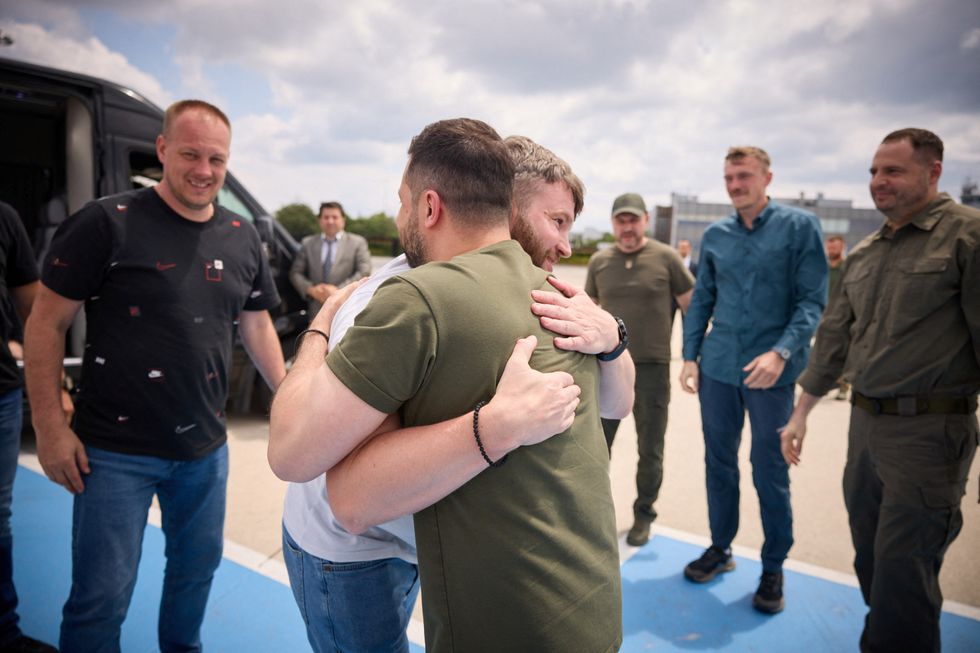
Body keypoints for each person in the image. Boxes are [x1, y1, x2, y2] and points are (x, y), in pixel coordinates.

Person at [270, 118, 626, 653]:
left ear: (428, 207)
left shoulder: (550, 300)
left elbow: (618, 404)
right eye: (556, 219)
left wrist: (613, 339)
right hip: (358, 550)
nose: (564, 241)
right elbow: (323, 475)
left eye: (402, 201)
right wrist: (322, 327)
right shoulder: (395, 298)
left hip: (426, 543)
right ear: (506, 208)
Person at [24, 100, 287, 653]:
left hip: (206, 453)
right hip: (113, 454)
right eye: (190, 154)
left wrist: (288, 396)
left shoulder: (242, 235)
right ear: (163, 149)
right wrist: (50, 428)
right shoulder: (105, 221)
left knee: (194, 579)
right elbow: (45, 325)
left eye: (217, 159)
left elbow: (255, 321)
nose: (204, 170)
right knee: (101, 599)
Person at [781, 128, 979, 652]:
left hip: (929, 432)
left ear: (934, 172)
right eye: (873, 171)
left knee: (902, 573)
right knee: (870, 558)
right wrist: (801, 413)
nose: (878, 181)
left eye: (893, 170)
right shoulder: (867, 253)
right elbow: (834, 340)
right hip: (865, 428)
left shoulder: (967, 238)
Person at [679, 145, 826, 614]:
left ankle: (772, 567)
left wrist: (781, 353)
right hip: (719, 367)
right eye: (729, 177)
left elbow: (811, 302)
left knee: (770, 471)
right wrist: (690, 356)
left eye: (744, 176)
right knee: (718, 462)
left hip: (771, 374)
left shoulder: (800, 227)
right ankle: (721, 548)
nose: (735, 185)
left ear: (767, 177)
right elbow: (702, 299)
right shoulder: (716, 234)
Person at [585, 193, 693, 547]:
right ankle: (593, 517)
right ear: (613, 222)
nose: (627, 227)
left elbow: (691, 309)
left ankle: (644, 515)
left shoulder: (667, 258)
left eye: (633, 220)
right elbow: (588, 312)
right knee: (597, 447)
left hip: (653, 369)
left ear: (645, 220)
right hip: (609, 366)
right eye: (621, 220)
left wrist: (693, 358)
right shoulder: (600, 261)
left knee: (651, 449)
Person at [0, 201, 56, 653]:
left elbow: (33, 309)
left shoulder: (4, 217)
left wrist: (53, 388)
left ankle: (4, 630)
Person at [289, 201, 371, 317]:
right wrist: (311, 290)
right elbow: (295, 273)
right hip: (316, 310)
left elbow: (364, 271)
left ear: (343, 220)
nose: (330, 221)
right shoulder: (307, 243)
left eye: (335, 217)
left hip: (347, 309)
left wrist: (338, 291)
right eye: (326, 217)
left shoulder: (358, 243)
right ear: (320, 220)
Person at [825, 234, 850, 400]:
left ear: (842, 248)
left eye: (835, 247)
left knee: (842, 352)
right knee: (823, 352)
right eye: (830, 247)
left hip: (841, 315)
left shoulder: (848, 267)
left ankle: (843, 386)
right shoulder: (823, 268)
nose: (832, 250)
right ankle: (823, 384)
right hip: (823, 314)